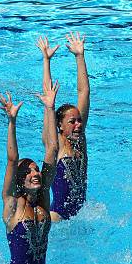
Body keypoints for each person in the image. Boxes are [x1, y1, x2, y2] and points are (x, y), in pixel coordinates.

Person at [0, 80, 60, 264]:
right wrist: (12, 122)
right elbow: (12, 159)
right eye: (28, 172)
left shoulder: (42, 198)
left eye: (36, 169)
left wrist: (50, 108)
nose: (35, 173)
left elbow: (52, 149)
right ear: (19, 179)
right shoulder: (12, 204)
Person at [36, 33, 90, 221]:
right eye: (72, 121)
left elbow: (83, 92)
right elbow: (47, 96)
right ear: (59, 125)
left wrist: (79, 56)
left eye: (79, 120)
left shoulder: (80, 141)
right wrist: (46, 61)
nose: (78, 125)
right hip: (57, 217)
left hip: (82, 215)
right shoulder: (55, 144)